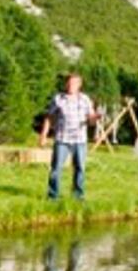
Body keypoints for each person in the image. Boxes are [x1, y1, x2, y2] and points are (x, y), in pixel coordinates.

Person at [40, 72, 100, 202]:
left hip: (80, 140)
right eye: (69, 82)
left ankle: (78, 196)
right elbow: (49, 117)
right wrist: (43, 135)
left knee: (80, 168)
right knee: (56, 169)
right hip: (62, 139)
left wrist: (94, 118)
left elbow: (90, 120)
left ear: (79, 85)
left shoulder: (85, 99)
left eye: (74, 83)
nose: (70, 85)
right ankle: (52, 196)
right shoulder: (58, 99)